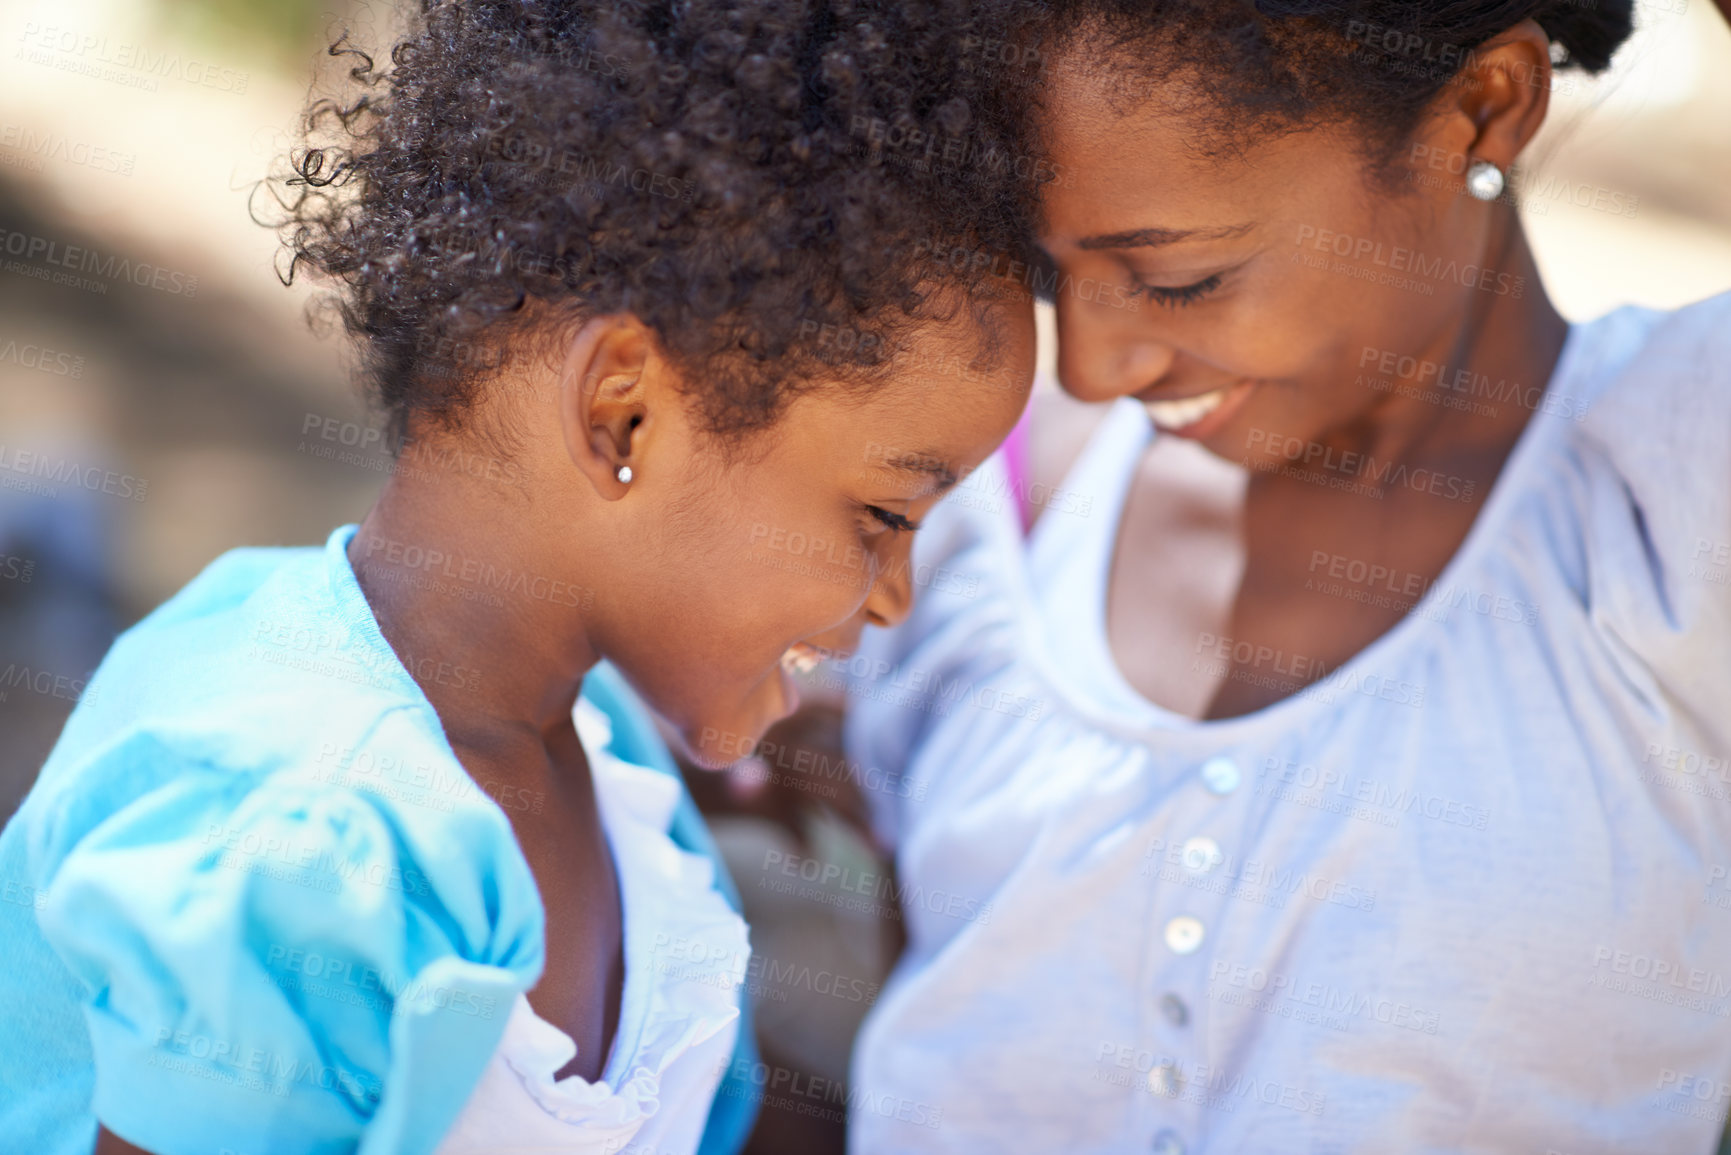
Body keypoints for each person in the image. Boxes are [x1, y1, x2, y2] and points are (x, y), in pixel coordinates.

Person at [0, 1, 1035, 1152]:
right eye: (884, 515)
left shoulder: (607, 759)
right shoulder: (300, 834)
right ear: (621, 411)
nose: (892, 596)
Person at [839, 1, 1731, 1151]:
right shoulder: (978, 504)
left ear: (1484, 108)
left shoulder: (1675, 483)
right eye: (1052, 274)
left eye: (1181, 280)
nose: (1099, 369)